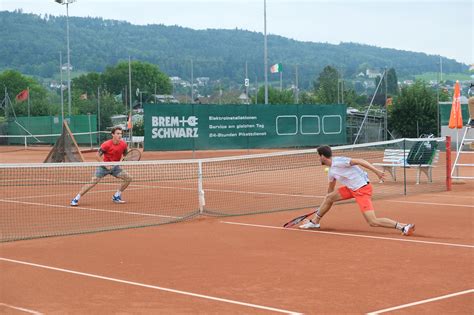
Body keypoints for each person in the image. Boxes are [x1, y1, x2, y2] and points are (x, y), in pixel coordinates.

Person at [299, 145, 415, 236]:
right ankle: (314, 222)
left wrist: (377, 171)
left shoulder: (340, 161)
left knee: (372, 221)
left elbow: (360, 160)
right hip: (351, 188)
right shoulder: (331, 172)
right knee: (329, 198)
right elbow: (330, 190)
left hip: (362, 189)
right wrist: (324, 204)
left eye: (319, 156)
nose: (318, 158)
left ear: (323, 156)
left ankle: (403, 227)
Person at [70, 126, 132, 206]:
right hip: (103, 167)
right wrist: (105, 166)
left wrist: (124, 159)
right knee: (93, 181)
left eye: (121, 134)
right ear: (112, 134)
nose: (120, 135)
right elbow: (97, 156)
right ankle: (76, 199)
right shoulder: (106, 144)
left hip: (115, 167)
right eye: (117, 133)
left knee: (129, 178)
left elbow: (125, 155)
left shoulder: (123, 144)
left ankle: (116, 196)